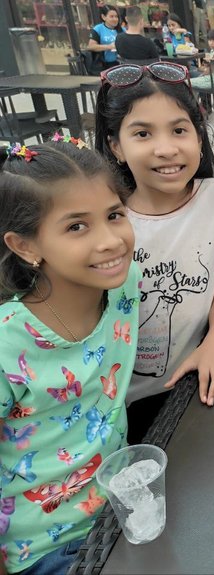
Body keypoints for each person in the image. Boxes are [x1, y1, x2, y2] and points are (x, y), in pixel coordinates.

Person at [0, 139, 140, 574]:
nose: (110, 241)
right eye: (77, 227)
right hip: (45, 547)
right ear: (25, 247)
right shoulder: (8, 342)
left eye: (114, 215)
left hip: (122, 502)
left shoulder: (124, 285)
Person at [94, 62, 214, 443]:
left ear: (199, 136)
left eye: (179, 130)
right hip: (110, 405)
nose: (166, 149)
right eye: (143, 133)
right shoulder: (106, 220)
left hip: (191, 384)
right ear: (116, 145)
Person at [88, 4, 122, 70]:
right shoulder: (98, 29)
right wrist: (109, 46)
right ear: (103, 17)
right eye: (111, 17)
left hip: (121, 63)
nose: (115, 19)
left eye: (116, 16)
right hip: (105, 65)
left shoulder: (122, 29)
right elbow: (90, 47)